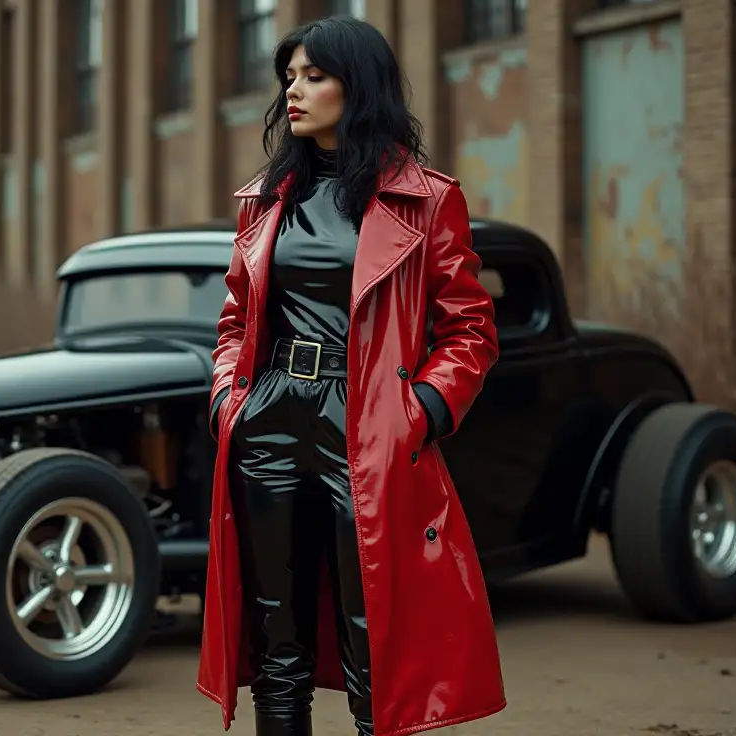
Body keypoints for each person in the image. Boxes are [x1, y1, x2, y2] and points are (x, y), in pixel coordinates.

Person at [195, 15, 506, 736]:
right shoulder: (266, 200)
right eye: (290, 77)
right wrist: (226, 403)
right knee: (279, 645)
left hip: (367, 425)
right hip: (268, 417)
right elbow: (236, 318)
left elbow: (470, 329)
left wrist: (420, 409)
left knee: (378, 645)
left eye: (314, 75)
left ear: (356, 85)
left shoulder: (426, 199)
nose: (293, 91)